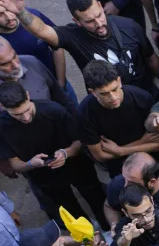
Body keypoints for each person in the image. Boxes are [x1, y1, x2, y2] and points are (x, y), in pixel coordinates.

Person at [0, 0, 159, 94]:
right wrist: (21, 12)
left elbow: (151, 58)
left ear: (100, 5)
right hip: (107, 100)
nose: (99, 24)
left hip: (144, 92)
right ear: (77, 21)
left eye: (99, 15)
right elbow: (42, 31)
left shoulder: (129, 26)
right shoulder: (73, 36)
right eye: (90, 21)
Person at [0, 82, 107, 225]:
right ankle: (89, 237)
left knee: (96, 197)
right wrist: (30, 164)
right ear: (2, 107)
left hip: (77, 166)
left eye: (26, 110)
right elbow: (13, 163)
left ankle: (107, 227)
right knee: (69, 211)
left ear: (28, 95)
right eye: (17, 114)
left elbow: (80, 140)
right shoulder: (2, 127)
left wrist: (65, 153)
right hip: (44, 177)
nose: (25, 118)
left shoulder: (53, 110)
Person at [78, 60, 159, 178]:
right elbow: (100, 155)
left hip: (155, 159)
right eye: (104, 94)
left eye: (114, 89)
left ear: (119, 81)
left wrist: (120, 151)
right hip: (120, 167)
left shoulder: (141, 97)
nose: (113, 97)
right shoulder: (85, 112)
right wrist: (142, 142)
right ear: (92, 92)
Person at [0, 37, 74, 113]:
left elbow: (60, 97)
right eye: (5, 64)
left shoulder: (32, 62)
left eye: (15, 56)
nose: (16, 65)